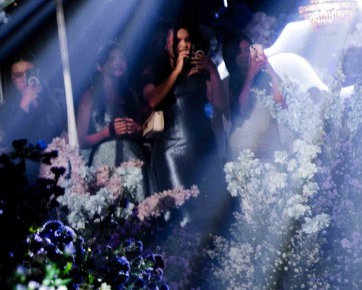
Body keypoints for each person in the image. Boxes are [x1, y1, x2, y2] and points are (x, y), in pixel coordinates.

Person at [142, 22, 227, 213]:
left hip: (203, 146)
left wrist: (212, 70)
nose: (183, 44)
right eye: (177, 40)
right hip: (173, 152)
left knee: (210, 210)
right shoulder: (155, 72)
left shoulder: (198, 70)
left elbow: (220, 103)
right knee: (181, 213)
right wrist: (176, 71)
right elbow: (153, 100)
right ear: (166, 44)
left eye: (187, 40)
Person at [76, 41, 146, 179]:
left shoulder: (131, 96)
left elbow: (140, 133)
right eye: (111, 59)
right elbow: (80, 141)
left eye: (122, 58)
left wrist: (137, 129)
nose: (118, 63)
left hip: (132, 162)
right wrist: (107, 132)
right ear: (99, 66)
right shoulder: (90, 96)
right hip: (104, 164)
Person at [221, 32, 284, 159]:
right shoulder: (226, 84)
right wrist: (251, 74)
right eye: (239, 52)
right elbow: (241, 111)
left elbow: (281, 106)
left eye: (247, 49)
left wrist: (270, 71)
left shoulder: (266, 77)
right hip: (244, 149)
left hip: (270, 145)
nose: (245, 54)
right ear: (231, 56)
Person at [0, 53, 65, 146]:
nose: (25, 79)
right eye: (19, 75)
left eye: (29, 73)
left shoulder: (52, 98)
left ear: (37, 74)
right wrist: (24, 105)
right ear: (13, 80)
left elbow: (60, 132)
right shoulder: (7, 109)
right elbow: (11, 142)